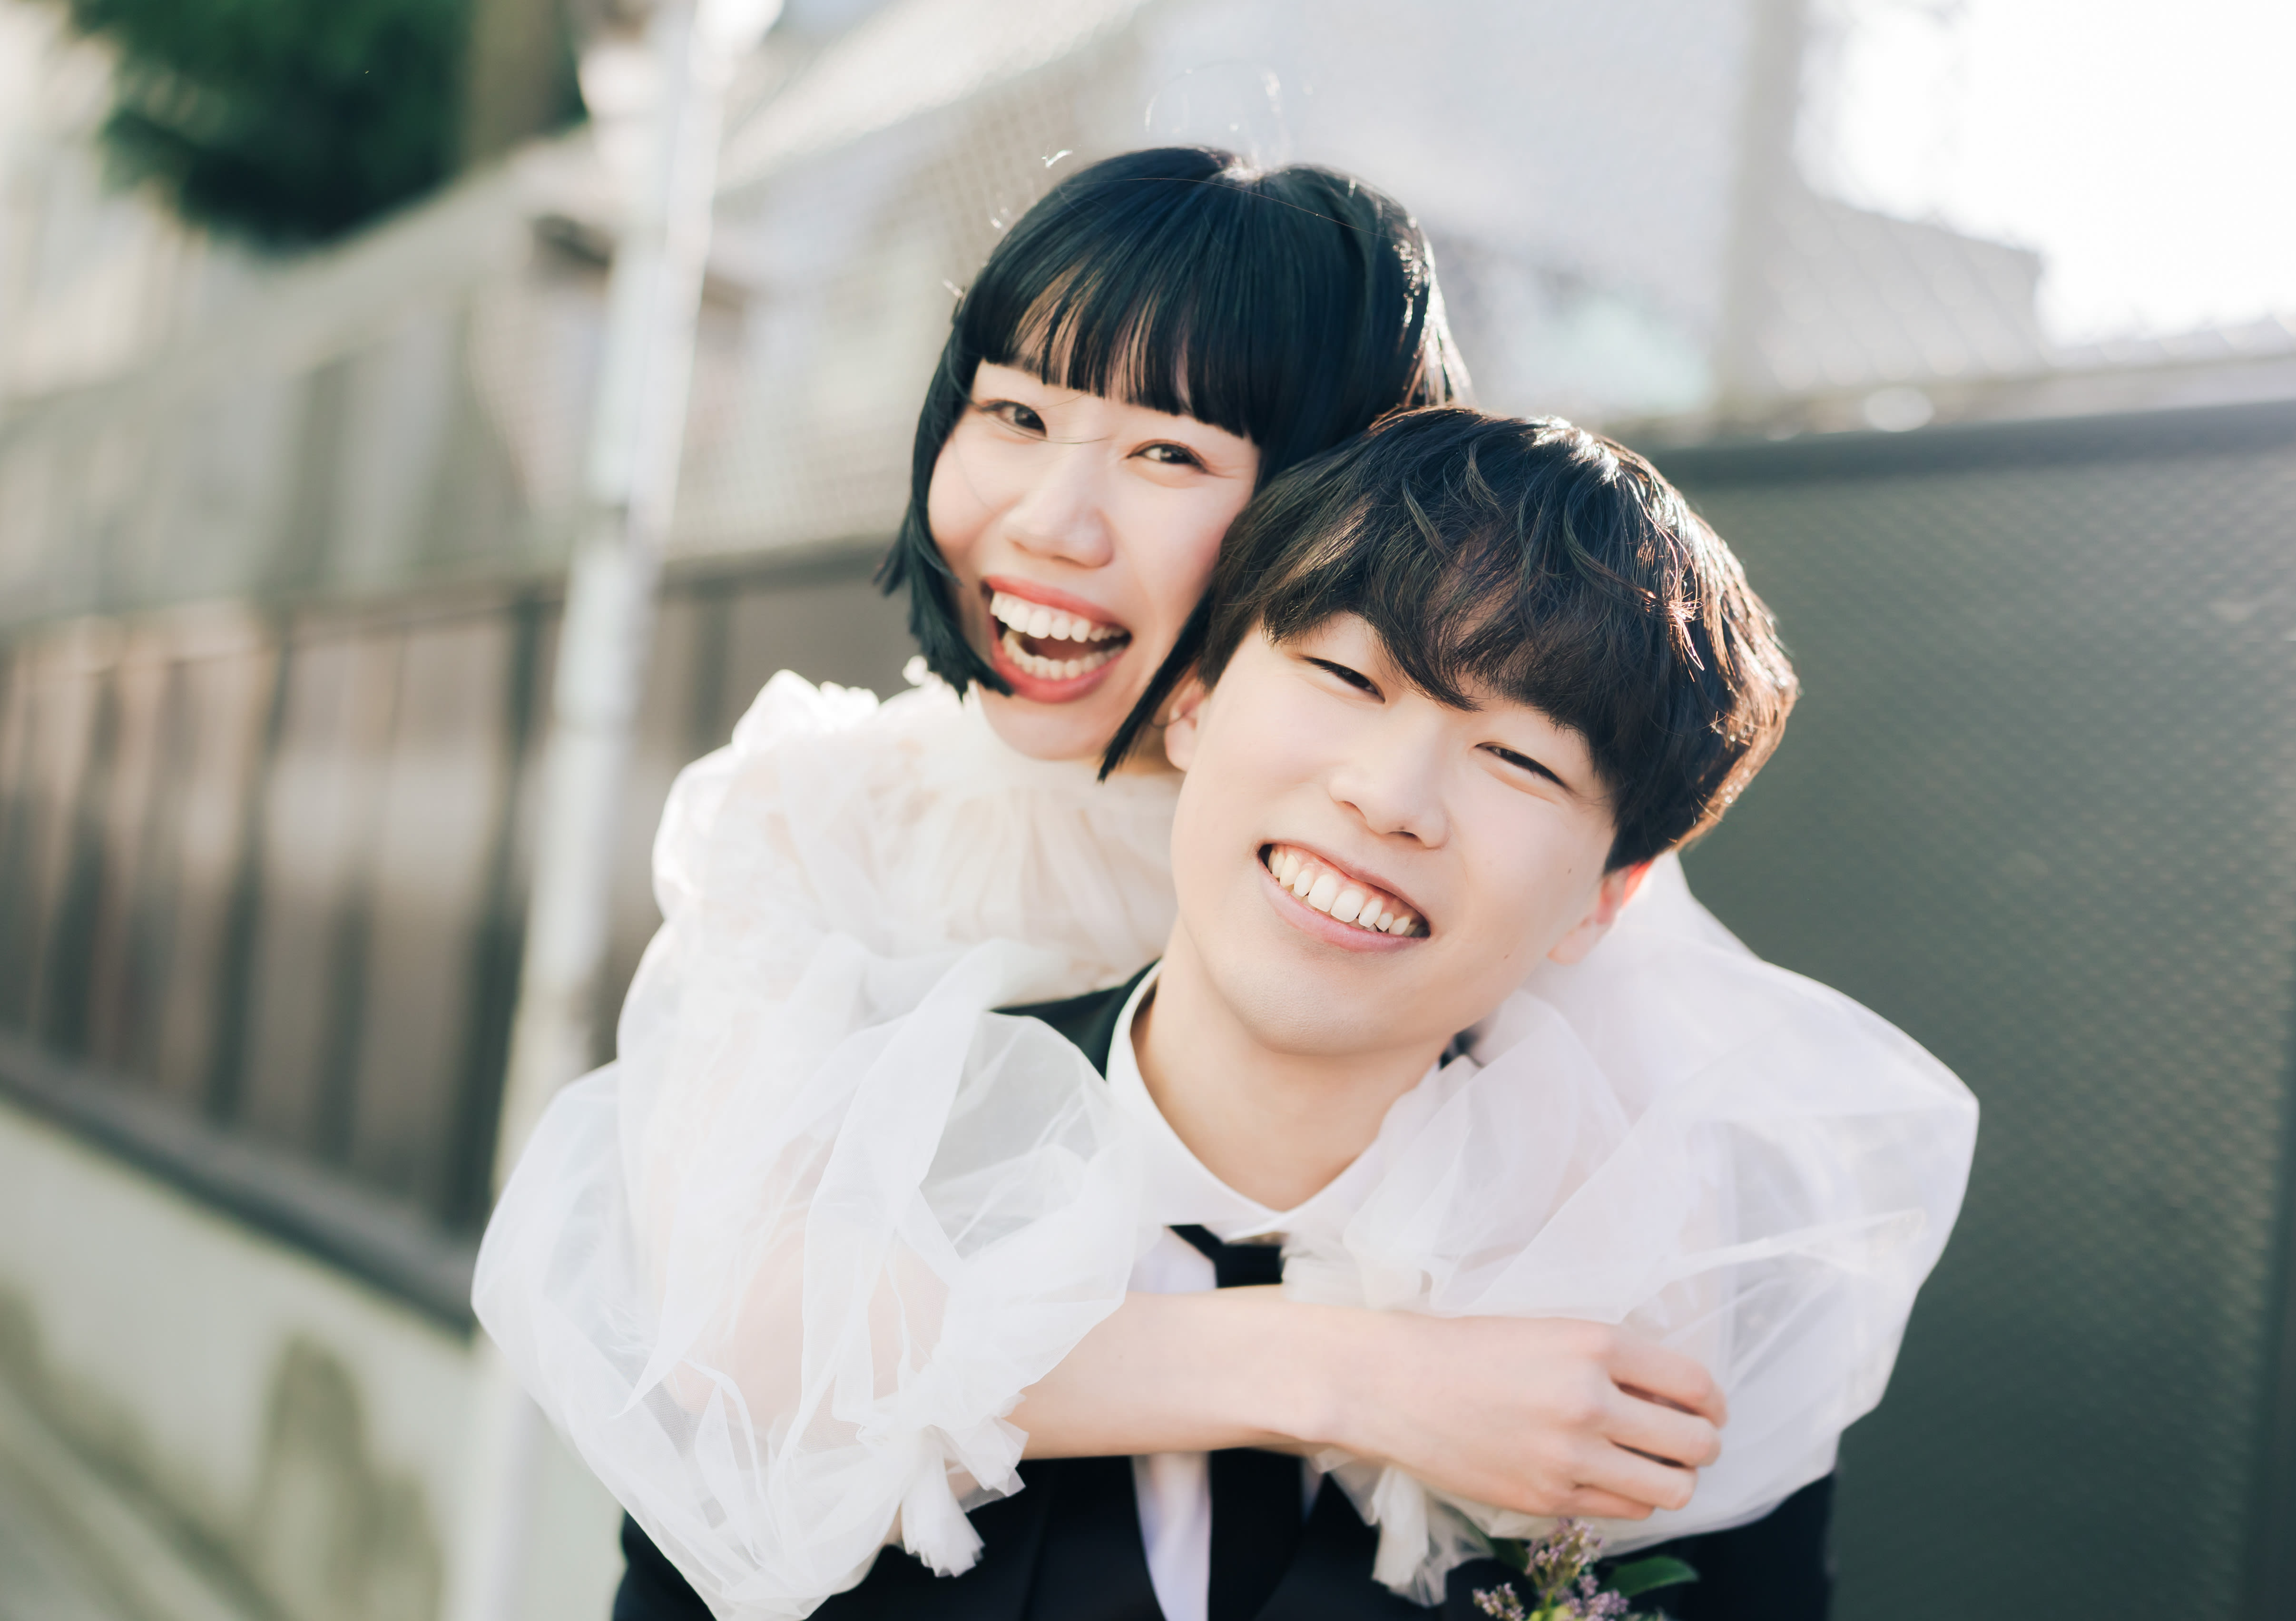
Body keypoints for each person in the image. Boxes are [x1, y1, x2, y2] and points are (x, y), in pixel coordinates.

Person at [472, 149, 1974, 1618]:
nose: (1050, 523)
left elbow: (1653, 1347)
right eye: (1014, 414)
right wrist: (1356, 1373)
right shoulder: (829, 824)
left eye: (1170, 454)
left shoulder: (1461, 869)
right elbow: (742, 1342)